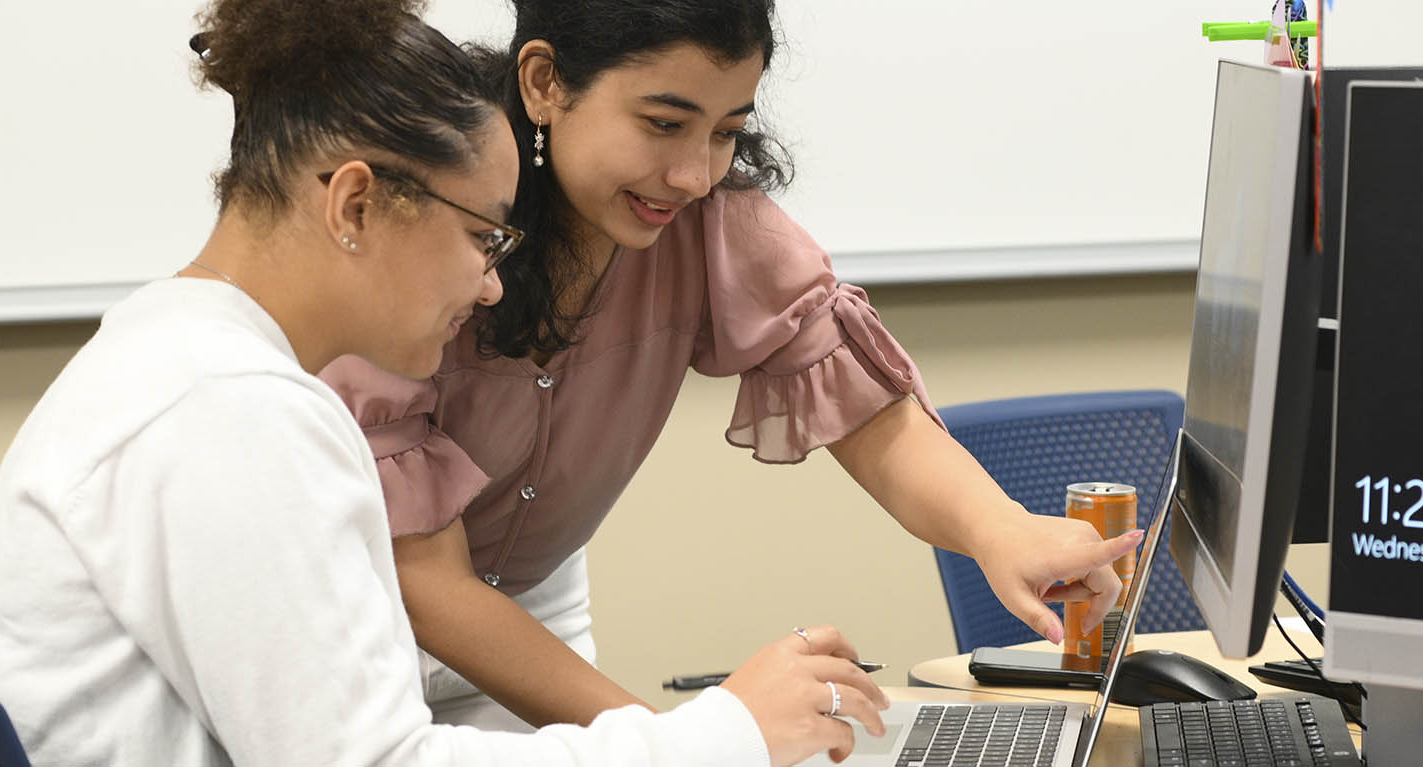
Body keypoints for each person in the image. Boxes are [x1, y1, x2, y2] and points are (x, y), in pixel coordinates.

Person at [0, 1, 888, 765]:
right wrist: (722, 734)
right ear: (356, 204)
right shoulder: (228, 412)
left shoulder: (179, 357)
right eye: (484, 237)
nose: (490, 284)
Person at [319, 0, 1148, 731]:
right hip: (347, 631)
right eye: (663, 123)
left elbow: (864, 406)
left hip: (525, 622)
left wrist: (1004, 530)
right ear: (544, 83)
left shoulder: (707, 220)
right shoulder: (432, 216)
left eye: (726, 132)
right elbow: (423, 578)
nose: (692, 174)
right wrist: (693, 742)